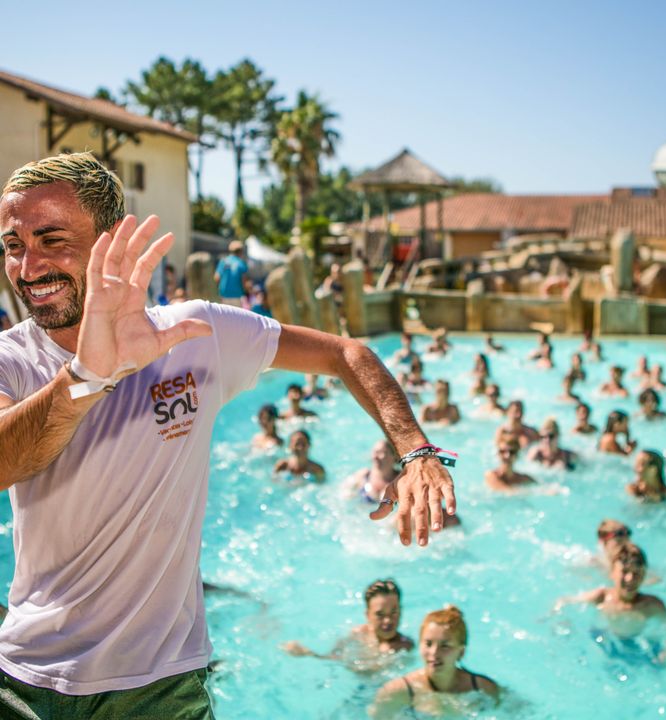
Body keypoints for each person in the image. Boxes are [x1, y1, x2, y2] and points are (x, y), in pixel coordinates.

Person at [0, 152, 455, 716]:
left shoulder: (196, 332)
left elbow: (345, 353)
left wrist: (417, 451)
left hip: (161, 687)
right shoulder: (10, 360)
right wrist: (87, 377)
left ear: (113, 241)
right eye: (13, 246)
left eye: (51, 239)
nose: (27, 267)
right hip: (24, 680)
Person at [371, 607, 498, 718]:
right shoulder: (396, 692)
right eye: (428, 644)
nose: (434, 653)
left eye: (445, 646)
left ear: (461, 652)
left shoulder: (483, 689)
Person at [282, 579, 413, 673]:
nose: (387, 620)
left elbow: (367, 672)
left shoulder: (404, 646)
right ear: (367, 615)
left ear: (401, 611)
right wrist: (305, 652)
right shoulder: (358, 633)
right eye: (380, 614)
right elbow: (332, 657)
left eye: (394, 612)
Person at [557, 543, 666, 628]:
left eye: (637, 573)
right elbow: (564, 601)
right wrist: (561, 619)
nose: (630, 578)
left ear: (644, 576)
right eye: (624, 572)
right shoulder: (602, 597)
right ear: (612, 573)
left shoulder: (652, 605)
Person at [345, 440, 399, 505]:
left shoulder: (401, 480)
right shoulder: (363, 476)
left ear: (394, 456)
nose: (375, 457)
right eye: (374, 452)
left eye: (380, 452)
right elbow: (343, 495)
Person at [213, 239, 249, 307]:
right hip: (237, 296)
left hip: (223, 295)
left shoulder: (223, 261)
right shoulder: (241, 263)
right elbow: (244, 281)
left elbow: (216, 278)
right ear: (241, 251)